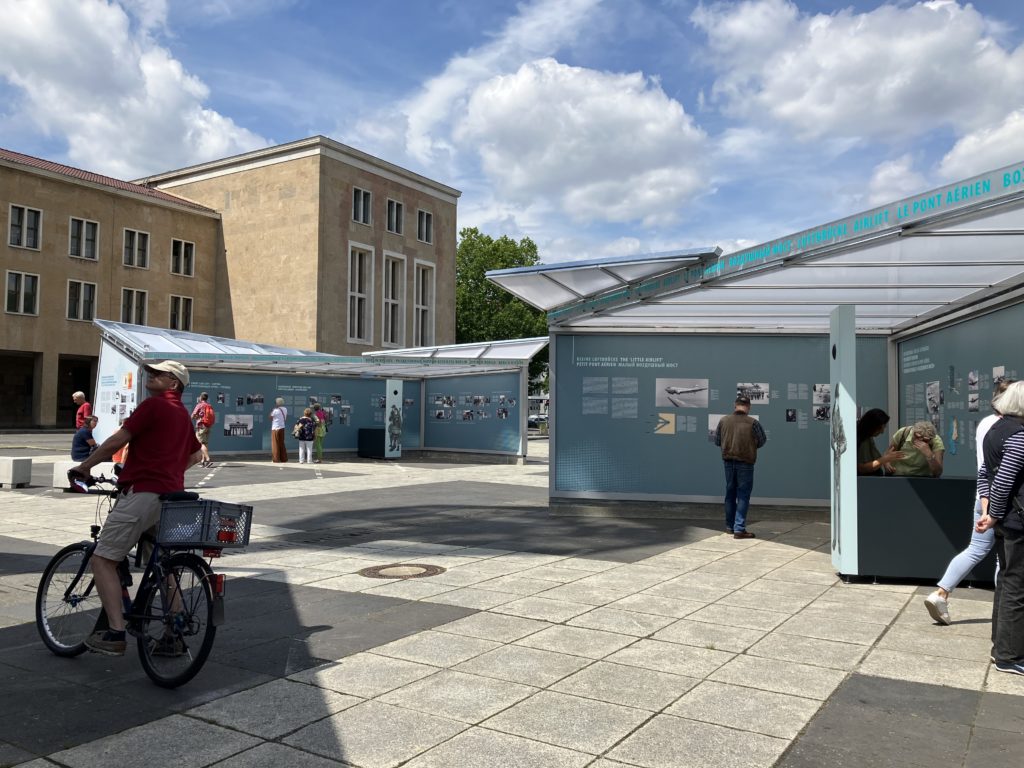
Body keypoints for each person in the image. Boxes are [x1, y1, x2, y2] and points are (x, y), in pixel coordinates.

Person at [69, 360, 202, 656]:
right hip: (170, 496)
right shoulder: (181, 414)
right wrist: (169, 470)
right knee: (164, 568)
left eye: (158, 374)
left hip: (143, 492)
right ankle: (174, 634)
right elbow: (196, 454)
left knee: (103, 560)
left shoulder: (154, 406)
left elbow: (117, 439)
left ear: (173, 384)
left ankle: (115, 633)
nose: (150, 376)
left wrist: (85, 467)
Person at [925, 380, 1014, 624]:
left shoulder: (986, 423)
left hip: (982, 496)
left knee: (976, 550)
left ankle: (941, 592)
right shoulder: (1011, 428)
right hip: (1004, 501)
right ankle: (1006, 612)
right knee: (1005, 557)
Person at [975, 380, 1024, 675]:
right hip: (1016, 521)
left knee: (1007, 582)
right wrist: (991, 513)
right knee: (1016, 586)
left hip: (1005, 519)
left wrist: (987, 509)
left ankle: (1001, 646)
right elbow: (1004, 478)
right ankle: (1009, 655)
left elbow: (985, 473)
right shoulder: (1019, 435)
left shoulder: (995, 430)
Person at [714, 395, 767, 539]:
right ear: (748, 407)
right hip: (746, 462)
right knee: (743, 495)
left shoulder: (724, 421)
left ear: (734, 405)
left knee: (730, 494)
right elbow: (762, 440)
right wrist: (750, 445)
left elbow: (717, 441)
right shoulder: (753, 423)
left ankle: (730, 527)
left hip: (728, 462)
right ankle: (739, 528)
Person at [856, 408, 905, 475]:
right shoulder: (862, 439)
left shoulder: (868, 437)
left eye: (884, 427)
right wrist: (884, 459)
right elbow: (862, 468)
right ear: (871, 426)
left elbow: (877, 459)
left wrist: (885, 461)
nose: (882, 432)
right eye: (880, 428)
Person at [190, 391, 215, 468]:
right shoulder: (209, 405)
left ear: (201, 397)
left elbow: (193, 414)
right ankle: (203, 461)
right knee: (205, 443)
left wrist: (191, 419)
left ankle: (208, 460)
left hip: (201, 426)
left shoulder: (200, 405)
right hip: (208, 426)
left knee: (201, 444)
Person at [270, 397, 288, 463]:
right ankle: (284, 458)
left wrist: (272, 410)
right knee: (281, 443)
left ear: (277, 403)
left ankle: (276, 459)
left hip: (275, 428)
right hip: (282, 427)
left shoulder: (275, 410)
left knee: (275, 444)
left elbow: (270, 417)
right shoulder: (285, 409)